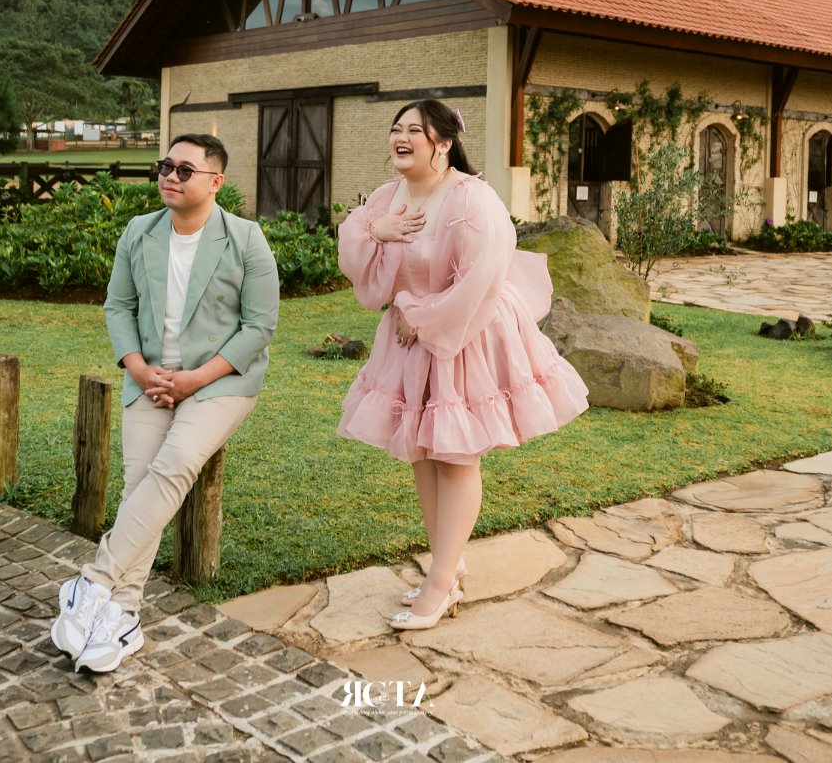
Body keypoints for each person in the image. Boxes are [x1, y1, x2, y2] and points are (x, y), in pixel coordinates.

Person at [336, 100, 589, 630]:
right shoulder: (387, 197)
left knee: (455, 455)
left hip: (465, 333)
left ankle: (440, 582)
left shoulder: (473, 199)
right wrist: (378, 230)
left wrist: (422, 316)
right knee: (423, 452)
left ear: (444, 142)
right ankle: (446, 567)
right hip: (411, 336)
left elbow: (483, 278)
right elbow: (353, 247)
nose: (401, 137)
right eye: (396, 129)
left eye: (415, 130)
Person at [51, 133, 279, 672]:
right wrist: (138, 368)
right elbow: (117, 306)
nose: (170, 177)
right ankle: (123, 615)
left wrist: (193, 380)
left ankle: (94, 582)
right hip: (150, 378)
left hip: (219, 382)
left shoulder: (245, 238)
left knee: (174, 464)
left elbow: (259, 327)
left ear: (216, 182)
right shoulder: (140, 231)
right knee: (139, 484)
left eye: (184, 170)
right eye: (165, 166)